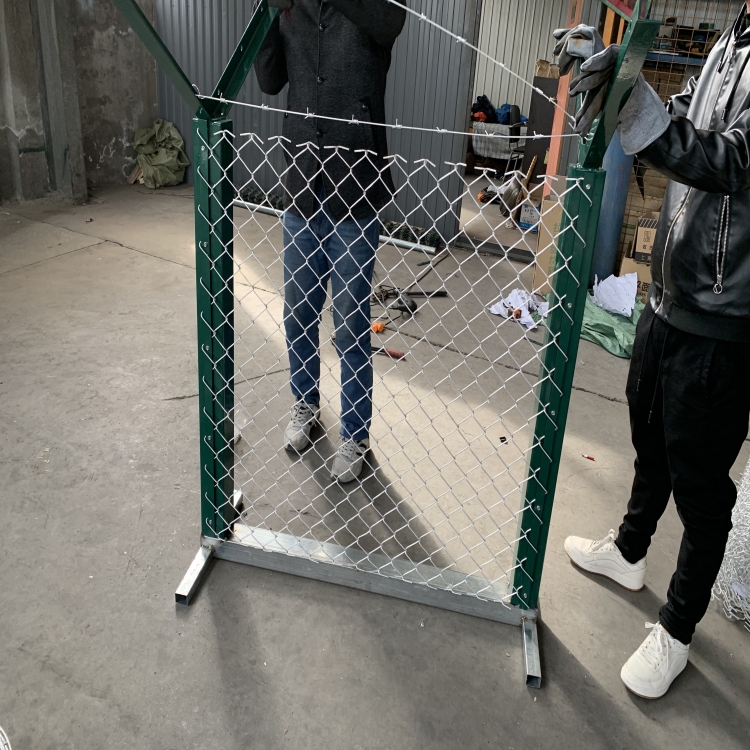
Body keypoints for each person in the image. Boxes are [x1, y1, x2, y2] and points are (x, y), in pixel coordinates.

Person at [562, 5, 750, 699]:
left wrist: (638, 108)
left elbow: (731, 159)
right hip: (670, 293)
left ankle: (677, 628)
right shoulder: (734, 36)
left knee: (701, 489)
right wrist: (621, 77)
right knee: (650, 437)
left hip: (725, 319)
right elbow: (680, 116)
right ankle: (630, 551)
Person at [254, 0, 406, 483]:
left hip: (355, 189)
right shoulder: (292, 9)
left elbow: (391, 22)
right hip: (302, 187)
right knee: (298, 312)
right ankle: (305, 403)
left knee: (350, 325)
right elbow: (269, 81)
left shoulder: (372, 7)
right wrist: (265, 12)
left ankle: (355, 434)